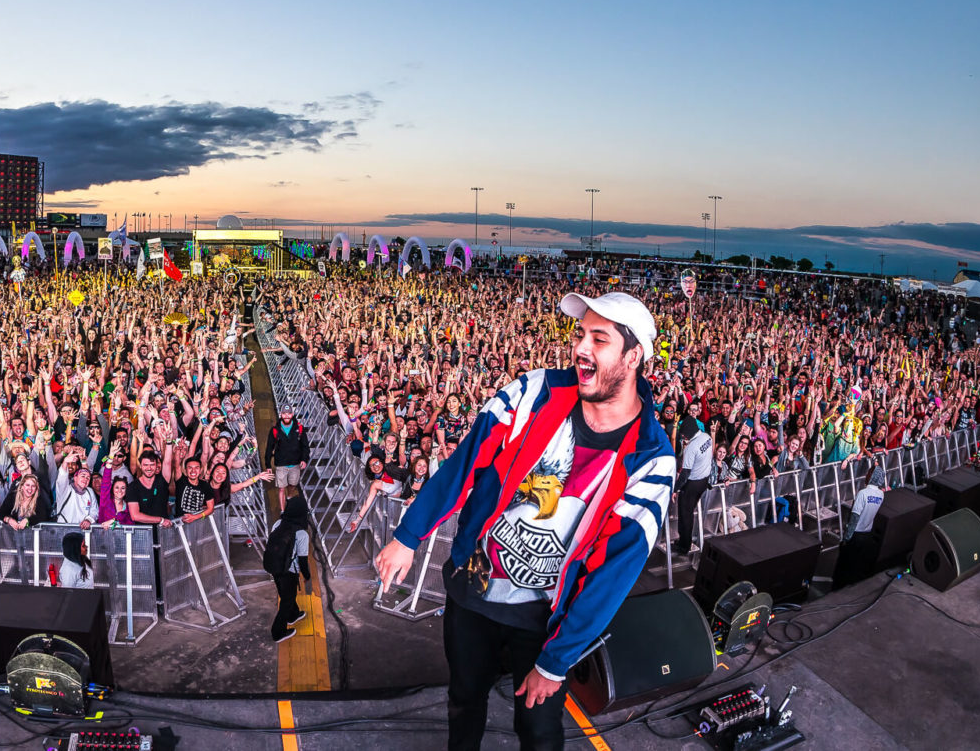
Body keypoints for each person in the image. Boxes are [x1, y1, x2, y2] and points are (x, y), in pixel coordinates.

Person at [374, 291, 676, 751]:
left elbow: (611, 576)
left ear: (633, 357)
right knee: (463, 700)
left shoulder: (652, 461)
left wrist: (555, 663)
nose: (581, 348)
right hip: (473, 592)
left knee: (538, 731)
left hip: (543, 621)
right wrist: (409, 535)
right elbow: (465, 463)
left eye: (599, 339)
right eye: (580, 335)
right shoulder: (534, 392)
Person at [264, 486, 311, 643]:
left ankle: (293, 615)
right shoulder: (302, 534)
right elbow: (303, 559)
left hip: (275, 566)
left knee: (286, 595)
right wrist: (307, 576)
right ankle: (278, 632)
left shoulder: (278, 523)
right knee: (287, 600)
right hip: (289, 571)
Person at [673, 402, 713, 557]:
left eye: (683, 434)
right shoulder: (706, 436)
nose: (683, 436)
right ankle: (685, 541)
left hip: (693, 483)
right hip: (704, 480)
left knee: (685, 514)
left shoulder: (692, 447)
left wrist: (676, 489)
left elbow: (685, 474)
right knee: (690, 512)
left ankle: (684, 546)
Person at [264, 407, 311, 490]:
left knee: (292, 485)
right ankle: (283, 503)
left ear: (292, 414)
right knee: (281, 489)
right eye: (284, 414)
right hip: (281, 464)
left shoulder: (299, 428)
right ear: (281, 414)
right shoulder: (275, 430)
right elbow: (269, 448)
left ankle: (289, 499)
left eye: (289, 413)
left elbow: (305, 446)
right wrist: (268, 465)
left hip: (295, 464)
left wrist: (304, 459)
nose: (287, 416)